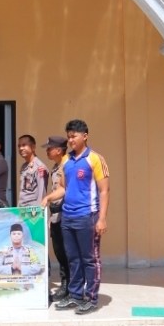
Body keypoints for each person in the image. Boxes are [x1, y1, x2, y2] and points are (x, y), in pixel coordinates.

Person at [41, 119, 109, 315]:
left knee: (90, 259)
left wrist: (102, 218)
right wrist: (48, 198)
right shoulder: (67, 161)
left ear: (85, 136)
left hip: (87, 216)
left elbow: (104, 190)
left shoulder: (95, 159)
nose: (71, 140)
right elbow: (63, 187)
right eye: (69, 137)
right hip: (68, 217)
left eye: (74, 136)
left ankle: (91, 298)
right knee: (73, 259)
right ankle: (76, 295)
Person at [42, 135, 70, 302]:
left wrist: (48, 199)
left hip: (65, 213)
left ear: (59, 150)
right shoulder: (56, 166)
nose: (47, 151)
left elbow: (64, 190)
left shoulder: (67, 165)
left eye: (49, 148)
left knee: (66, 253)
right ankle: (65, 285)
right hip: (56, 214)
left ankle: (68, 287)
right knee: (59, 251)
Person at [16, 134, 49, 207]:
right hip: (22, 209)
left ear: (33, 147)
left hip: (32, 210)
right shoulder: (24, 167)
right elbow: (23, 192)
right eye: (19, 146)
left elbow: (42, 193)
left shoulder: (39, 167)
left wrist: (39, 211)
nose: (21, 148)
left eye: (24, 145)